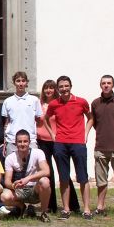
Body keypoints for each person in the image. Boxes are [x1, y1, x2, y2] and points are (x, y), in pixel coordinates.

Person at [44, 75, 93, 220]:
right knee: (63, 177)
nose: (64, 89)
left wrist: (86, 134)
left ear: (71, 86)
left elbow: (90, 118)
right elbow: (46, 119)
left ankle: (86, 209)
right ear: (58, 89)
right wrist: (53, 135)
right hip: (60, 143)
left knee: (83, 177)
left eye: (66, 86)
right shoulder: (54, 104)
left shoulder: (81, 102)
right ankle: (66, 209)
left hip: (78, 143)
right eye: (61, 87)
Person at [85, 75, 114, 219]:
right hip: (101, 147)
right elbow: (94, 123)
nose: (106, 85)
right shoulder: (95, 103)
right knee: (101, 180)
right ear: (100, 85)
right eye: (103, 83)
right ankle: (100, 206)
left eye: (109, 83)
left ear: (113, 85)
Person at [36, 79, 80, 214]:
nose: (48, 90)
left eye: (51, 88)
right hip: (42, 140)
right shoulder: (39, 104)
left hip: (57, 140)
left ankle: (73, 205)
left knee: (63, 171)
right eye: (46, 88)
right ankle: (50, 205)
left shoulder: (59, 104)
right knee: (48, 172)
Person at [1, 130, 51, 222]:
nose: (22, 144)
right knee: (4, 196)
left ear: (29, 142)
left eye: (25, 141)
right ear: (15, 143)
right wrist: (13, 185)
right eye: (19, 142)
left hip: (35, 189)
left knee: (45, 181)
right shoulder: (10, 158)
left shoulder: (38, 153)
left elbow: (46, 171)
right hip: (20, 189)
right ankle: (21, 206)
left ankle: (44, 213)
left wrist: (28, 178)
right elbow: (7, 181)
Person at [1, 71, 43, 155]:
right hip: (12, 141)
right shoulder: (7, 101)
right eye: (18, 81)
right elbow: (6, 123)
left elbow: (38, 120)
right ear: (14, 83)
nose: (21, 83)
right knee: (12, 167)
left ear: (26, 82)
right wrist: (5, 141)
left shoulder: (34, 100)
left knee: (32, 167)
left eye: (23, 81)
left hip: (30, 140)